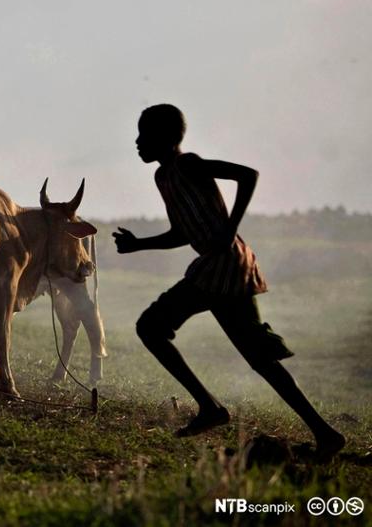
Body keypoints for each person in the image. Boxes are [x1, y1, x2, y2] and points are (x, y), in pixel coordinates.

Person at [114, 104, 345, 459]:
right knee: (256, 356)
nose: (137, 141)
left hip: (226, 265)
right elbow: (182, 231)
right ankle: (323, 433)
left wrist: (229, 227)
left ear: (164, 138)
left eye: (144, 134)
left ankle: (212, 409)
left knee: (153, 327)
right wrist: (139, 244)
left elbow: (248, 175)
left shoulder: (187, 163)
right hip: (214, 267)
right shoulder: (164, 178)